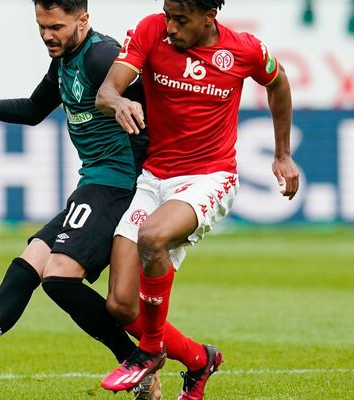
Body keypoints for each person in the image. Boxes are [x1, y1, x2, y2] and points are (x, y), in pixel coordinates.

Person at [0, 0, 162, 398]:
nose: (48, 35)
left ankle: (136, 361)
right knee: (28, 266)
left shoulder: (103, 55)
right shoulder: (65, 62)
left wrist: (152, 176)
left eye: (56, 26)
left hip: (119, 185)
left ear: (83, 19)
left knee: (58, 278)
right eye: (41, 26)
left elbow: (156, 101)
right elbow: (35, 109)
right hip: (95, 184)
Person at [97, 1, 300, 399]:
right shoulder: (151, 30)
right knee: (121, 306)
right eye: (168, 15)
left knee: (152, 235)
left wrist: (282, 153)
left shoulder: (244, 50)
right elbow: (107, 89)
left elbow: (278, 82)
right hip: (154, 178)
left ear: (209, 16)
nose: (170, 26)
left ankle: (151, 350)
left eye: (181, 19)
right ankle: (199, 361)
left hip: (210, 178)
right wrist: (118, 101)